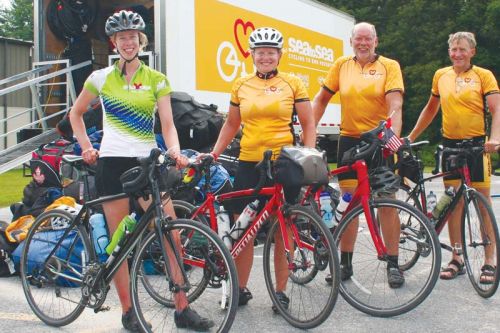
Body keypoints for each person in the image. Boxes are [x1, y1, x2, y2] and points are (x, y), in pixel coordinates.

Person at [70, 10, 213, 331]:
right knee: (121, 244)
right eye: (122, 38)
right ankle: (128, 312)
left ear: (140, 40)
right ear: (114, 42)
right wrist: (85, 147)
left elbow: (168, 125)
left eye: (132, 37)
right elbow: (75, 114)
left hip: (147, 164)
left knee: (171, 234)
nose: (128, 42)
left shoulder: (156, 80)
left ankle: (182, 308)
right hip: (112, 164)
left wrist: (174, 151)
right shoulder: (100, 78)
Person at [207, 27, 316, 308]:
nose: (265, 57)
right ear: (252, 55)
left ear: (279, 55)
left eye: (271, 52)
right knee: (245, 228)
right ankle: (240, 288)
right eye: (260, 52)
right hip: (249, 163)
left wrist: (308, 153)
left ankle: (280, 292)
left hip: (283, 163)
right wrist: (214, 154)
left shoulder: (292, 83)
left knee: (284, 227)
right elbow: (231, 124)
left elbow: (308, 123)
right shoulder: (241, 84)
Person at [312, 22, 405, 288]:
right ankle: (345, 264)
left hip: (379, 140)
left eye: (368, 39)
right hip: (350, 141)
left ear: (376, 41)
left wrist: (392, 137)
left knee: (386, 203)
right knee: (350, 202)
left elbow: (395, 103)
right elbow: (320, 100)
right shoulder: (342, 65)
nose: (363, 43)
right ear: (351, 41)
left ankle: (393, 264)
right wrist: (308, 133)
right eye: (358, 39)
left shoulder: (389, 66)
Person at [408, 31, 500, 282]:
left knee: (483, 203)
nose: (457, 53)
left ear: (472, 52)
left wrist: (494, 138)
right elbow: (431, 109)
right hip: (450, 146)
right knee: (453, 203)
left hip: (477, 146)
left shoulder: (483, 75)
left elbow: (496, 108)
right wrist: (412, 136)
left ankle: (490, 259)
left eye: (462, 49)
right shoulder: (441, 75)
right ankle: (457, 257)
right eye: (453, 49)